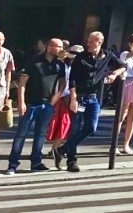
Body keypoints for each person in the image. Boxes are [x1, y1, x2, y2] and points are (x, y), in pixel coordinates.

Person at [56, 32, 120, 172]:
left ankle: (62, 149)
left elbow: (123, 65)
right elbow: (72, 79)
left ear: (99, 42)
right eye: (88, 40)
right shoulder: (81, 57)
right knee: (75, 129)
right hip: (79, 96)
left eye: (91, 41)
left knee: (91, 128)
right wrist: (73, 98)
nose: (88, 43)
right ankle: (72, 161)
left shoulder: (107, 55)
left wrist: (115, 74)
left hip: (93, 98)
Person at [6, 37, 65, 175]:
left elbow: (63, 82)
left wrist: (57, 96)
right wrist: (21, 102)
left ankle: (36, 162)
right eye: (58, 47)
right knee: (21, 134)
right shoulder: (34, 61)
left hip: (47, 104)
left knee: (41, 134)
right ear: (49, 47)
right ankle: (13, 163)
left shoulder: (59, 65)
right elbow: (22, 83)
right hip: (31, 103)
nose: (61, 50)